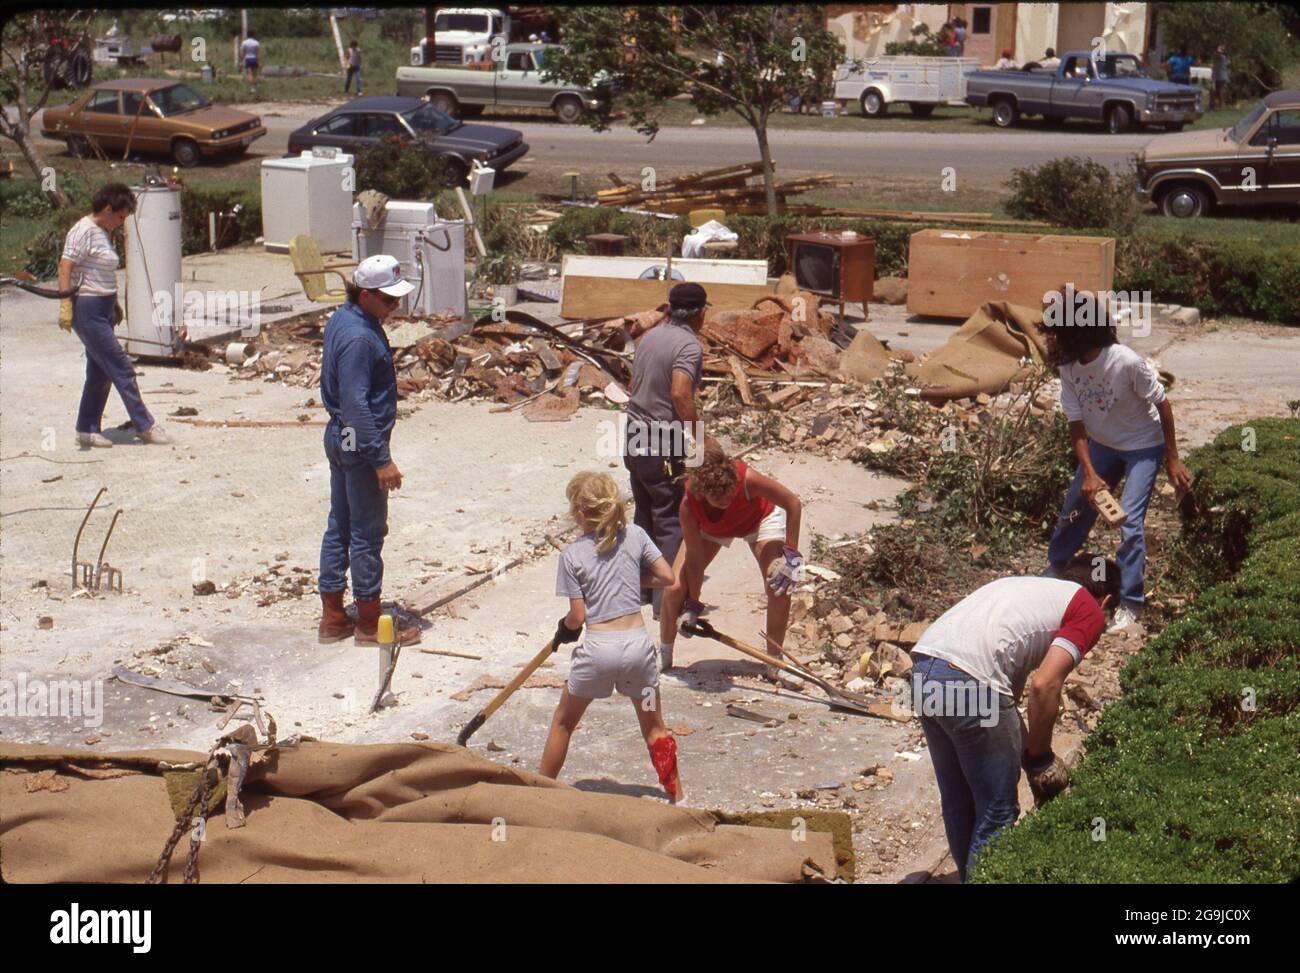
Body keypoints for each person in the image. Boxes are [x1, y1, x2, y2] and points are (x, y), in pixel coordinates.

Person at [908, 556, 1118, 881]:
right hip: (971, 680)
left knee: (958, 797)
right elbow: (1044, 685)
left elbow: (1009, 700)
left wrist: (1027, 755)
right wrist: (1040, 757)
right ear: (1105, 600)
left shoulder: (1027, 590)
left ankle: (970, 877)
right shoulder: (1089, 609)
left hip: (925, 669)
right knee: (998, 808)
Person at [1041, 289, 1193, 633]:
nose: (1053, 341)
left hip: (1143, 446)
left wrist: (1172, 458)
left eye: (1059, 334)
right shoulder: (1068, 366)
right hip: (1103, 444)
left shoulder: (1126, 362)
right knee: (1075, 505)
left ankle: (1130, 605)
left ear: (1080, 334)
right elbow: (1075, 423)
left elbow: (1163, 404)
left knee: (1130, 522)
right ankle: (1055, 568)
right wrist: (1090, 475)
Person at [539, 471, 684, 803]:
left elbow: (577, 617)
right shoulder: (634, 535)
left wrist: (564, 629)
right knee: (655, 729)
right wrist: (631, 579)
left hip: (599, 652)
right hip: (637, 650)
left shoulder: (572, 555)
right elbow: (667, 576)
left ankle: (539, 794)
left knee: (563, 723)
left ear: (578, 512)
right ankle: (678, 800)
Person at [317, 255, 422, 646]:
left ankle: (332, 618)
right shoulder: (361, 337)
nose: (396, 307)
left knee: (340, 524)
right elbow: (357, 404)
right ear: (366, 295)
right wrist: (381, 459)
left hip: (341, 437)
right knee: (366, 532)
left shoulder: (344, 318)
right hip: (359, 439)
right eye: (389, 300)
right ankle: (367, 622)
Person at [658, 439, 803, 676]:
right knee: (673, 588)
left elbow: (793, 504)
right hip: (714, 529)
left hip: (759, 520)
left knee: (778, 584)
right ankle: (663, 654)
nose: (726, 501)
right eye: (719, 500)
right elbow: (694, 561)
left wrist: (792, 555)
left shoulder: (746, 479)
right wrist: (693, 604)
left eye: (729, 495)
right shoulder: (688, 506)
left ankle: (775, 662)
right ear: (703, 493)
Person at [57, 183, 172, 448]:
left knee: (100, 372)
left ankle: (86, 428)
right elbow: (65, 267)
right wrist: (65, 304)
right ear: (108, 209)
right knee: (122, 368)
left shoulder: (102, 231)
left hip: (103, 308)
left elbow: (101, 272)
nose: (121, 223)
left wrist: (115, 304)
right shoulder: (83, 230)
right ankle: (146, 426)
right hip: (88, 309)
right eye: (120, 216)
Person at [622, 281, 706, 618]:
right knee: (671, 519)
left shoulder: (649, 338)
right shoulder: (689, 346)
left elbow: (632, 386)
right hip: (662, 442)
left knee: (643, 516)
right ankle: (664, 604)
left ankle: (639, 589)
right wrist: (696, 438)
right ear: (699, 313)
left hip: (632, 436)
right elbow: (680, 394)